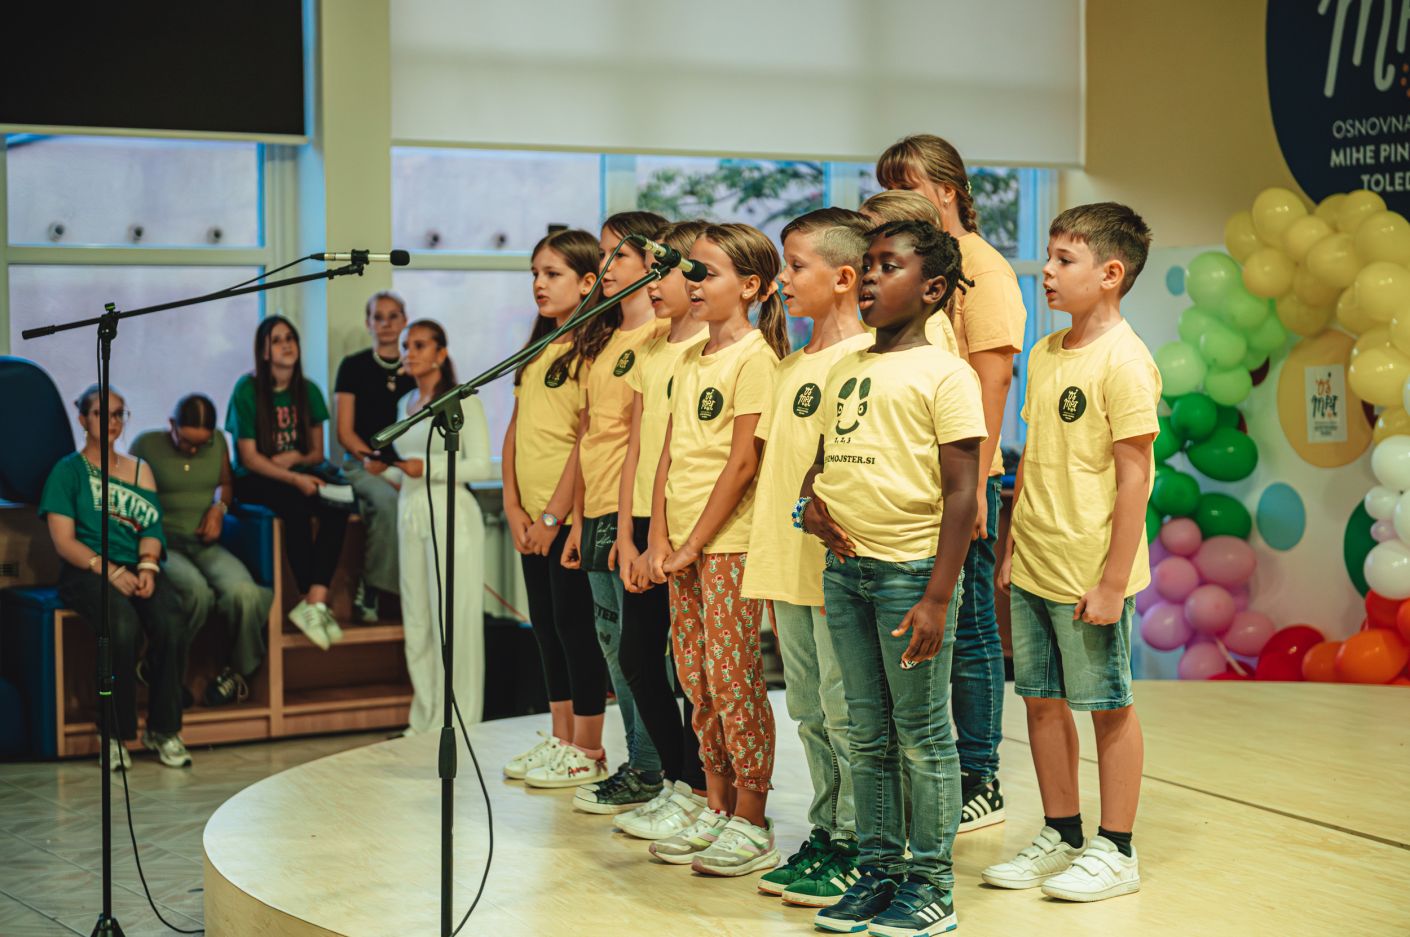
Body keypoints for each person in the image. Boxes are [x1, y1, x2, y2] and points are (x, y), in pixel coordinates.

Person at [802, 220, 984, 936]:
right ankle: (878, 870)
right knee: (867, 730)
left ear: (931, 287)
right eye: (868, 265)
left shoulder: (947, 373)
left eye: (888, 266)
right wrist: (812, 504)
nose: (870, 278)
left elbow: (963, 493)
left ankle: (932, 883)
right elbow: (825, 459)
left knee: (922, 734)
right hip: (846, 573)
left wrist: (938, 596)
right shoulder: (846, 365)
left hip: (911, 576)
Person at [986, 203, 1157, 903]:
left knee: (1107, 705)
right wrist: (1012, 544)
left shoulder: (1126, 360)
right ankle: (1061, 831)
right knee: (1041, 701)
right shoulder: (1046, 352)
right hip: (1036, 561)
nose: (1048, 272)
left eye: (1064, 260)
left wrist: (1113, 582)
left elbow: (1135, 478)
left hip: (1090, 570)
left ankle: (1116, 849)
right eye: (1050, 257)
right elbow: (1033, 458)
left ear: (1110, 273)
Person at [878, 134, 1027, 832]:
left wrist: (979, 479)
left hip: (965, 474)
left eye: (906, 185)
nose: (895, 199)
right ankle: (933, 771)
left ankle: (980, 775)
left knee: (968, 630)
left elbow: (993, 379)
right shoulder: (915, 265)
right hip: (914, 475)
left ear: (946, 190)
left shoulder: (983, 269)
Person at [642, 223, 788, 876]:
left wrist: (694, 542)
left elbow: (742, 464)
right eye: (689, 271)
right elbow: (669, 454)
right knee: (695, 679)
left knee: (734, 681)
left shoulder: (756, 359)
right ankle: (715, 801)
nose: (691, 282)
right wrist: (659, 537)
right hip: (683, 547)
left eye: (706, 272)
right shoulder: (691, 357)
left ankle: (751, 819)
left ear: (750, 286)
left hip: (727, 546)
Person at [740, 209, 874, 905]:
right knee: (809, 712)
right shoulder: (790, 365)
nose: (783, 279)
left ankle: (859, 839)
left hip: (836, 568)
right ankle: (826, 830)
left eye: (796, 266)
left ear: (844, 277)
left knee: (846, 710)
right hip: (784, 562)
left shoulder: (868, 359)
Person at [566, 210, 671, 812]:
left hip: (631, 511)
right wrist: (578, 519)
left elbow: (642, 440)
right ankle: (641, 762)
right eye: (603, 254)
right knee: (612, 645)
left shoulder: (659, 335)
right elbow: (590, 433)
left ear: (652, 261)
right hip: (599, 506)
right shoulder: (605, 338)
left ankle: (653, 768)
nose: (605, 266)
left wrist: (633, 526)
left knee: (639, 651)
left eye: (618, 255)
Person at [611, 219, 711, 838]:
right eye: (648, 271)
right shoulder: (650, 349)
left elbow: (688, 453)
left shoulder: (707, 351)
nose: (651, 283)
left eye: (662, 271)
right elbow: (637, 448)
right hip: (647, 520)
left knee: (692, 664)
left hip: (685, 519)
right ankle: (677, 778)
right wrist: (628, 534)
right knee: (637, 656)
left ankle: (699, 786)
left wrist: (662, 537)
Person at [500, 229, 610, 789]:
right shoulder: (538, 348)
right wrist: (513, 506)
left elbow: (586, 442)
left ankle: (588, 746)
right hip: (530, 518)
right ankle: (562, 738)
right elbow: (516, 431)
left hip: (565, 520)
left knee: (574, 629)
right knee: (545, 628)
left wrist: (551, 517)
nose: (539, 285)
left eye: (552, 274)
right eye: (534, 275)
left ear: (589, 282)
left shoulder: (591, 353)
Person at [40, 385, 196, 769]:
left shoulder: (140, 470)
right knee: (121, 626)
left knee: (172, 619)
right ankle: (112, 735)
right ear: (83, 419)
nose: (111, 422)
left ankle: (164, 730)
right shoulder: (67, 472)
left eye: (118, 414)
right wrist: (110, 571)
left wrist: (148, 567)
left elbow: (152, 529)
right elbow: (64, 542)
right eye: (102, 414)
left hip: (135, 566)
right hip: (88, 569)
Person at [131, 394, 273, 707]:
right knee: (196, 592)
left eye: (201, 444)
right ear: (171, 425)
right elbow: (130, 500)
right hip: (164, 544)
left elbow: (225, 484)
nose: (194, 450)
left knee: (246, 594)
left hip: (205, 544)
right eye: (186, 442)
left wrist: (218, 509)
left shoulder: (218, 442)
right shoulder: (146, 445)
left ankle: (237, 672)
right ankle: (162, 668)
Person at [225, 315, 350, 650]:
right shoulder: (247, 390)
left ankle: (315, 601)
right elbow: (249, 458)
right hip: (255, 479)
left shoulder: (308, 390)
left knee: (340, 501)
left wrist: (294, 460)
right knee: (294, 505)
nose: (286, 345)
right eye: (277, 340)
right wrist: (295, 478)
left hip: (296, 471)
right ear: (264, 351)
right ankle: (308, 597)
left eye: (290, 338)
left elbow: (316, 452)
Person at [393, 319, 491, 732]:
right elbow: (406, 468)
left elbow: (480, 465)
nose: (409, 353)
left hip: (452, 512)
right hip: (410, 510)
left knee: (454, 619)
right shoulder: (405, 403)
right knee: (417, 619)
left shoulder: (461, 400)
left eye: (419, 345)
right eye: (405, 346)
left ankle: (458, 718)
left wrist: (427, 468)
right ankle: (424, 719)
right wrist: (386, 467)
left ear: (441, 353)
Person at [334, 291, 415, 622]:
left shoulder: (415, 368)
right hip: (362, 464)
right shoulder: (353, 367)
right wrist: (370, 460)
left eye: (393, 316)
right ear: (368, 323)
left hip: (405, 465)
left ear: (404, 321)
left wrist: (401, 468)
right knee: (387, 502)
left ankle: (425, 593)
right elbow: (344, 431)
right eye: (378, 317)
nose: (386, 324)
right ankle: (373, 591)